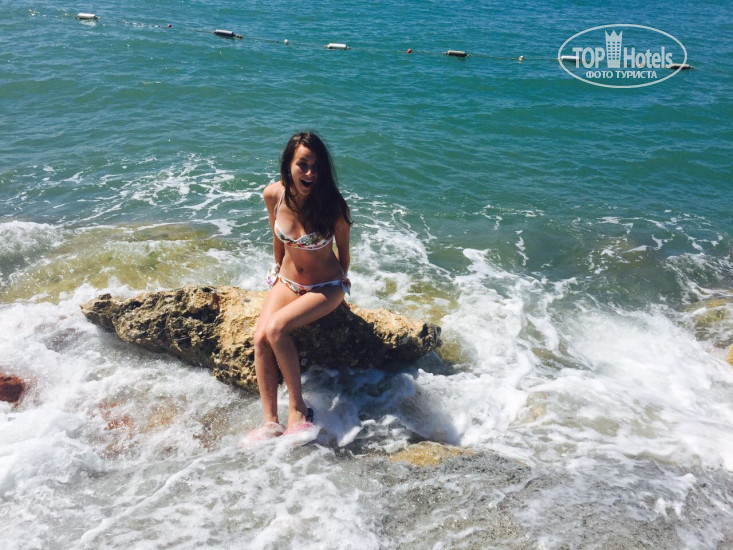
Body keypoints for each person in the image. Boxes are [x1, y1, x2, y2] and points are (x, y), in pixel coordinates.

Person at [251, 132, 351, 439]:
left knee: (277, 329)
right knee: (260, 338)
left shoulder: (333, 206)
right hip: (288, 281)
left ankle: (298, 409)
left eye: (316, 166)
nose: (310, 173)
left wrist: (341, 285)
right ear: (288, 165)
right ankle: (270, 421)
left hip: (325, 285)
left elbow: (344, 252)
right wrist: (277, 271)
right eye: (303, 165)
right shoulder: (274, 195)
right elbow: (277, 237)